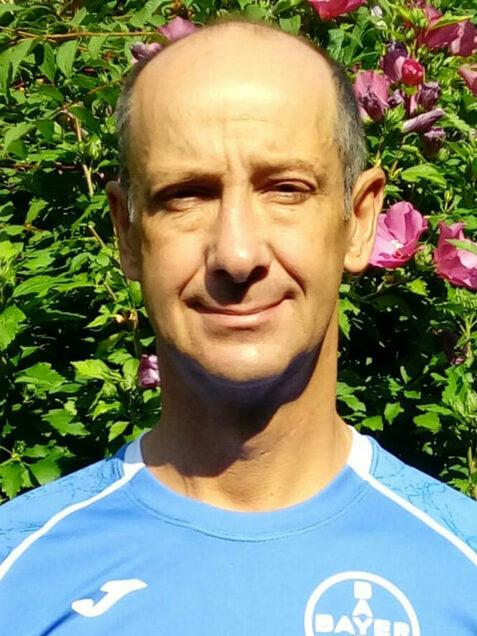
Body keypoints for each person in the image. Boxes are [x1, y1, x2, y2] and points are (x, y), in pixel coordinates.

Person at [0, 19, 475, 635]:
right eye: (186, 195)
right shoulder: (19, 576)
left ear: (360, 221)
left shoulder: (461, 569)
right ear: (127, 234)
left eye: (285, 189)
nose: (237, 254)